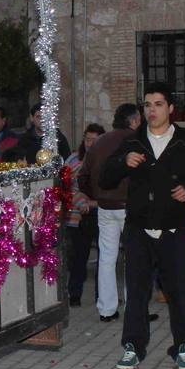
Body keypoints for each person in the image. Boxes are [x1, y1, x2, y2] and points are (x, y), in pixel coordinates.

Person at [100, 84, 185, 369]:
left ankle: (183, 347)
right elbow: (105, 177)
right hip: (139, 229)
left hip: (175, 230)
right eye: (147, 105)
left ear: (171, 108)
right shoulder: (133, 141)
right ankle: (133, 347)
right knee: (137, 292)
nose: (152, 110)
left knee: (177, 291)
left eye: (158, 104)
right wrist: (122, 163)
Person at [78, 103, 142, 322]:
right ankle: (134, 309)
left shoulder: (100, 142)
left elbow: (83, 176)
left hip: (105, 206)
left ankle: (107, 309)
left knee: (106, 257)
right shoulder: (137, 140)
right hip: (130, 206)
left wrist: (96, 195)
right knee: (134, 257)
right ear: (133, 120)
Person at [64, 123, 104, 306]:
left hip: (101, 214)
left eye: (95, 141)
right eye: (87, 139)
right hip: (76, 216)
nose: (90, 144)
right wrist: (80, 201)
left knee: (104, 258)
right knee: (78, 257)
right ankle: (74, 295)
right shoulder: (73, 160)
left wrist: (93, 203)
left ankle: (102, 296)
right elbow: (64, 188)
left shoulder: (106, 160)